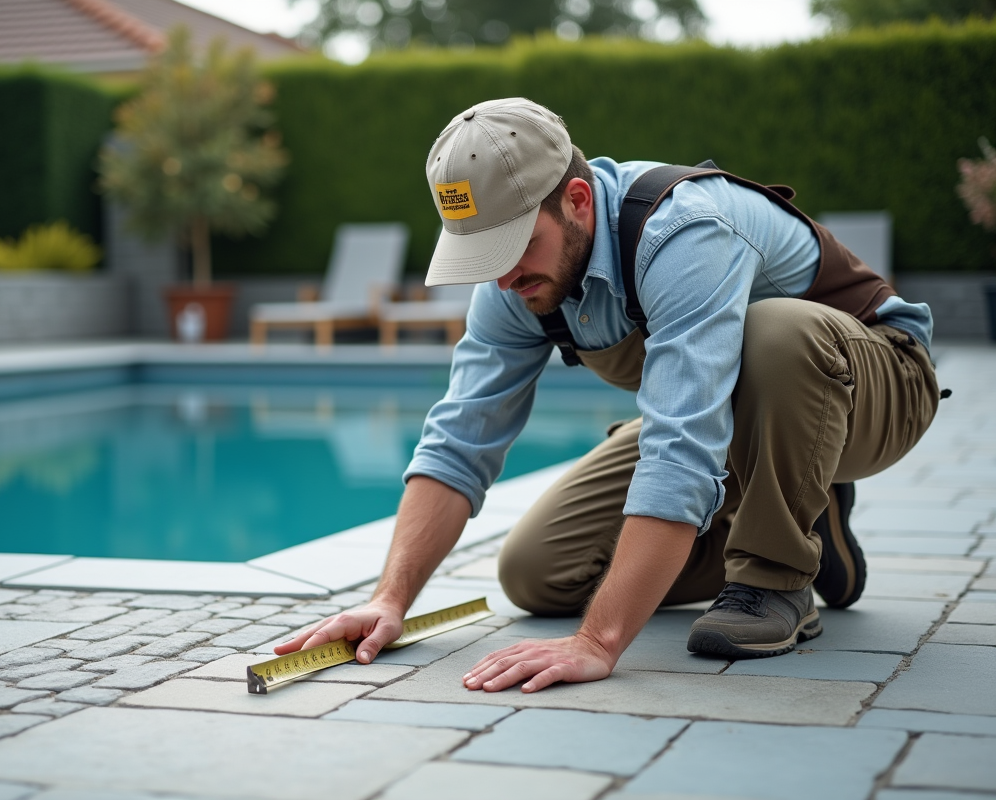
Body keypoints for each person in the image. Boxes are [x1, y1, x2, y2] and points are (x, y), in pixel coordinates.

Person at [274, 97, 939, 693]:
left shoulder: (682, 233)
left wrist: (599, 642)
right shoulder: (514, 284)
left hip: (874, 389)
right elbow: (458, 440)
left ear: (578, 202)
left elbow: (680, 448)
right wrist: (391, 600)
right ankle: (798, 507)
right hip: (733, 423)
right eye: (485, 255)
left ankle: (776, 576)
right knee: (540, 574)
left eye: (519, 245)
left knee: (774, 331)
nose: (504, 277)